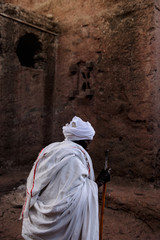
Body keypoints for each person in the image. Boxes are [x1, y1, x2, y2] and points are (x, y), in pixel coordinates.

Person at [21, 116, 110, 240]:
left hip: (40, 211)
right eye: (88, 142)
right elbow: (74, 199)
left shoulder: (52, 149)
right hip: (58, 220)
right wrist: (99, 181)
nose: (88, 147)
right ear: (82, 140)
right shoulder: (74, 161)